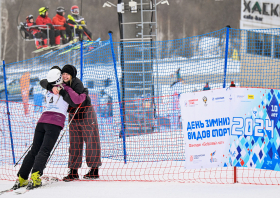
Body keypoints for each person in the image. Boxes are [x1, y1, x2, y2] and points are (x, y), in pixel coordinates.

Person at [12, 67, 86, 190]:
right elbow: (78, 99)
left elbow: (43, 82)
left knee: (34, 150)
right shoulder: (65, 88)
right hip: (54, 123)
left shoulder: (49, 88)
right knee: (44, 150)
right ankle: (35, 176)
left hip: (42, 121)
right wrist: (84, 93)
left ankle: (22, 177)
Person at [40, 64, 101, 181]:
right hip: (73, 115)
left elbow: (75, 102)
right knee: (74, 143)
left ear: (72, 75)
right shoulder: (59, 84)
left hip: (85, 113)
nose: (65, 76)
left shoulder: (77, 84)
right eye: (63, 74)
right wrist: (50, 87)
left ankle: (94, 169)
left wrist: (63, 93)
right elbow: (43, 82)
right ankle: (73, 171)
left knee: (91, 141)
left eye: (67, 74)